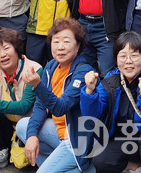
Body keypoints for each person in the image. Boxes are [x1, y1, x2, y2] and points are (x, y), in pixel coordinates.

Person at [16, 18, 95, 173]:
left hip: (76, 138)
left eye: (66, 41)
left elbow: (61, 108)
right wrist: (32, 136)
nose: (60, 47)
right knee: (23, 127)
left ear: (78, 46)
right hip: (59, 131)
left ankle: (81, 165)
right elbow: (40, 105)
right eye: (56, 41)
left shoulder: (83, 70)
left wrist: (37, 85)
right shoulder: (51, 66)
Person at [80, 31, 141, 173]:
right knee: (100, 159)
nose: (128, 61)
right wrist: (89, 92)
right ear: (116, 59)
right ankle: (133, 166)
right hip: (124, 139)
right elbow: (92, 118)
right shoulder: (110, 80)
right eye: (122, 56)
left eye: (134, 55)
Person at [0, 28, 44, 173]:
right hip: (9, 123)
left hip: (32, 124)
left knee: (25, 164)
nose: (2, 55)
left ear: (16, 49)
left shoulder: (34, 70)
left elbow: (25, 107)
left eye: (6, 48)